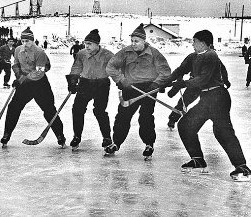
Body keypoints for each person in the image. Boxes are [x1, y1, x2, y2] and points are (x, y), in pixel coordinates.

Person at [161, 30, 250, 181]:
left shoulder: (211, 55)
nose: (192, 44)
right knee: (186, 125)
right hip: (206, 99)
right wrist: (166, 82)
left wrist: (182, 84)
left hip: (218, 97)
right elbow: (180, 71)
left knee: (222, 131)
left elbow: (203, 79)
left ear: (203, 43)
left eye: (194, 41)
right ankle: (198, 160)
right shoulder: (193, 57)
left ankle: (242, 168)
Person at [105, 23, 171, 159]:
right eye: (132, 41)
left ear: (144, 41)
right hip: (130, 88)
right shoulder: (125, 52)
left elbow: (165, 71)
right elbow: (111, 67)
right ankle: (116, 143)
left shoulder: (154, 53)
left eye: (137, 41)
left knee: (146, 117)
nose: (134, 44)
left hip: (149, 89)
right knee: (123, 117)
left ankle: (149, 144)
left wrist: (156, 84)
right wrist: (121, 80)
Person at [0, 27, 66, 148]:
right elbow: (15, 64)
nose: (25, 44)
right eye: (23, 41)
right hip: (24, 83)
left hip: (40, 84)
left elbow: (39, 72)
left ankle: (60, 135)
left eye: (28, 41)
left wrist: (23, 80)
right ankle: (7, 134)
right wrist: (18, 76)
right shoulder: (18, 50)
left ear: (33, 40)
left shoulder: (39, 52)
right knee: (13, 107)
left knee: (49, 110)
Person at [66, 29, 114, 151]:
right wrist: (72, 81)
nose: (86, 46)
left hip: (101, 85)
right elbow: (76, 68)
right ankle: (77, 136)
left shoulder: (108, 55)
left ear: (97, 44)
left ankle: (107, 138)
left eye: (89, 44)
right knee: (77, 109)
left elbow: (116, 69)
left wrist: (122, 82)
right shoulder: (81, 54)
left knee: (100, 111)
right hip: (85, 83)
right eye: (85, 43)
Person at [167, 54, 231, 130]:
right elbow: (182, 69)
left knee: (212, 105)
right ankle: (172, 120)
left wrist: (225, 80)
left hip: (209, 86)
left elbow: (222, 69)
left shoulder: (213, 58)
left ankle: (219, 124)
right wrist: (177, 83)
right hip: (194, 84)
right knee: (183, 102)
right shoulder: (193, 57)